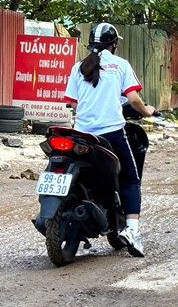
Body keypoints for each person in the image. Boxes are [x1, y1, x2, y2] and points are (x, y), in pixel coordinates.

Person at [63, 23, 155, 257]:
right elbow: (133, 99)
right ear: (113, 44)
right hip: (111, 133)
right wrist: (147, 111)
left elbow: (74, 103)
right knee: (130, 179)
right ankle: (131, 231)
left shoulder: (78, 68)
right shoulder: (121, 65)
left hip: (81, 134)